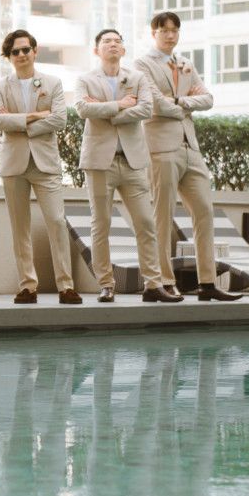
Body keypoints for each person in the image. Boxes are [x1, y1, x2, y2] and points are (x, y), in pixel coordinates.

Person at [136, 11, 242, 301]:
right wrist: (183, 104)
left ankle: (207, 283)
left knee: (205, 211)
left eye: (175, 30)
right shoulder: (142, 64)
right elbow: (155, 105)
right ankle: (163, 282)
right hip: (161, 148)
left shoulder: (185, 64)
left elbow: (208, 99)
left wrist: (178, 100)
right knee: (162, 216)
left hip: (190, 147)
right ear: (153, 33)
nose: (170, 35)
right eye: (164, 30)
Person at [74, 28, 182, 303]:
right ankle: (106, 284)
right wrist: (120, 104)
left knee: (146, 223)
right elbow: (83, 109)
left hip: (133, 162)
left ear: (123, 49)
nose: (112, 44)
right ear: (96, 50)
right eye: (106, 41)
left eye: (117, 41)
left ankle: (153, 284)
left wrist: (108, 111)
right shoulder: (86, 79)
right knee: (101, 224)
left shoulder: (137, 78)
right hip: (100, 162)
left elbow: (145, 109)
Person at [0, 29, 81, 304]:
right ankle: (28, 286)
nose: (21, 55)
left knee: (57, 222)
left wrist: (17, 122)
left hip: (46, 164)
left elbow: (60, 120)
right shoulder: (0, 86)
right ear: (9, 56)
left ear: (35, 51)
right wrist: (35, 116)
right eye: (15, 51)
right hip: (13, 164)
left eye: (25, 49)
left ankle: (66, 286)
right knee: (20, 228)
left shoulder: (53, 82)